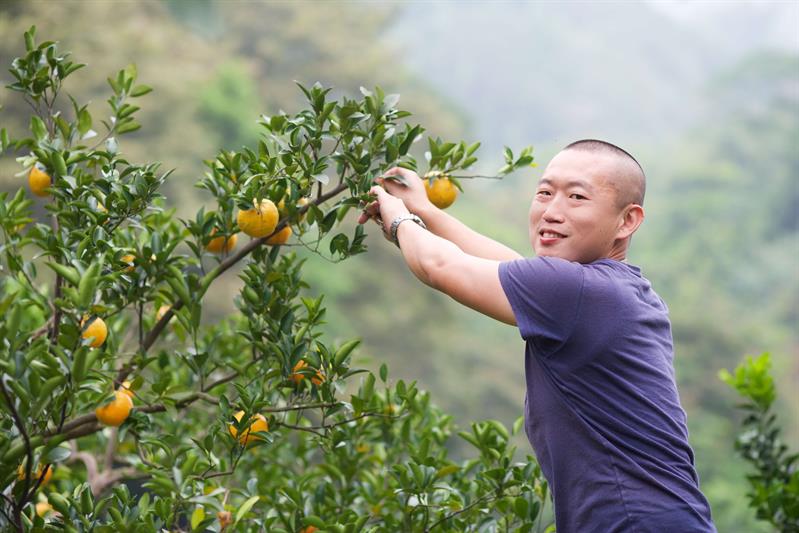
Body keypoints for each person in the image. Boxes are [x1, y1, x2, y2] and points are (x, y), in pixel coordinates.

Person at [357, 139, 716, 532]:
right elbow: (507, 265)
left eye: (577, 196)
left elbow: (439, 265)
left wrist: (397, 219)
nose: (551, 211)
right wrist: (423, 210)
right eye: (545, 193)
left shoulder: (577, 291)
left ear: (627, 220)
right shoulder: (613, 289)